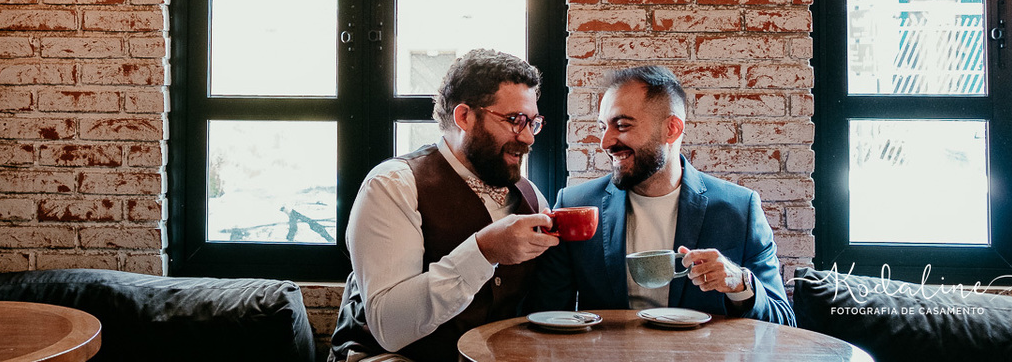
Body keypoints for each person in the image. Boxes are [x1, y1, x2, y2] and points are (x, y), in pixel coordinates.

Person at [328, 49, 559, 362]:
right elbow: (388, 327)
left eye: (533, 122)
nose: (529, 138)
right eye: (515, 120)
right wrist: (484, 251)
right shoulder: (393, 185)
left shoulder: (531, 196)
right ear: (464, 117)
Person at [528, 65, 795, 325]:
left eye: (621, 125)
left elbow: (783, 322)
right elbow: (544, 316)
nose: (605, 142)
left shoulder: (740, 209)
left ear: (672, 129)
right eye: (602, 127)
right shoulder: (574, 205)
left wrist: (740, 283)